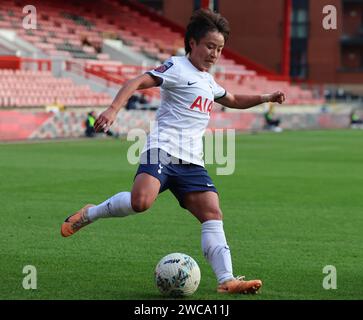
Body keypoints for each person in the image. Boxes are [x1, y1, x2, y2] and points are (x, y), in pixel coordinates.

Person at [61, 9, 285, 294]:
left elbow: (233, 99)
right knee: (141, 202)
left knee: (213, 213)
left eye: (219, 49)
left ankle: (226, 280)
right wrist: (113, 109)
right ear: (192, 43)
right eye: (209, 46)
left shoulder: (208, 81)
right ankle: (89, 214)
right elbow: (136, 82)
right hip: (162, 150)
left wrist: (267, 97)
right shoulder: (177, 67)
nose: (214, 54)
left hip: (192, 161)